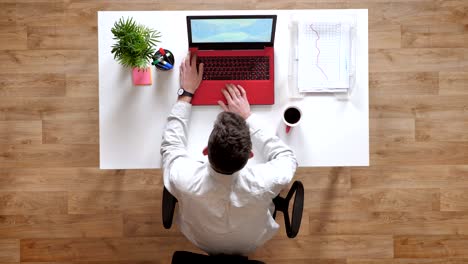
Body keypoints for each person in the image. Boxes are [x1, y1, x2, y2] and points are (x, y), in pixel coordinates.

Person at [161, 53, 297, 255]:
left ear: (206, 151)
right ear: (250, 156)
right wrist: (247, 116)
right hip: (251, 242)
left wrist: (186, 92)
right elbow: (288, 158)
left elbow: (171, 146)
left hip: (200, 241)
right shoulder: (267, 180)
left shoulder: (183, 177)